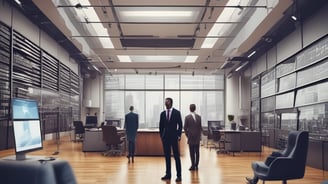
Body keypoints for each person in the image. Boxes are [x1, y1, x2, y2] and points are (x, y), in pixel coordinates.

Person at [159, 97, 183, 182]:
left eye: (167, 102)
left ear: (171, 103)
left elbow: (180, 125)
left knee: (176, 156)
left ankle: (179, 175)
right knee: (167, 156)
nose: (166, 103)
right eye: (165, 102)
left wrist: (179, 135)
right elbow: (161, 126)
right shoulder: (162, 114)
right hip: (165, 138)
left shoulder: (177, 113)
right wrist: (162, 136)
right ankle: (168, 174)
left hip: (174, 137)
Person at [184, 104, 202, 171]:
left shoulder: (187, 117)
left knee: (192, 152)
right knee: (197, 152)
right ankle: (196, 165)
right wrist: (200, 136)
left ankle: (193, 166)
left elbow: (185, 128)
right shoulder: (199, 117)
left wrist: (187, 135)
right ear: (195, 108)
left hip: (191, 137)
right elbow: (200, 128)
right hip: (197, 137)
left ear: (189, 109)